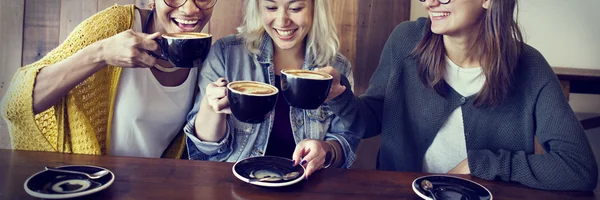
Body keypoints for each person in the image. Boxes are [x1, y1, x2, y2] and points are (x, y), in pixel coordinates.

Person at [321, 0, 598, 191]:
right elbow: (370, 120)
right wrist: (339, 96)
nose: (429, 2)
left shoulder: (529, 65)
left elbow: (578, 168)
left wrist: (481, 164)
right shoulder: (405, 40)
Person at [0, 0, 217, 158]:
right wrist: (101, 53)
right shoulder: (117, 25)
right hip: (86, 185)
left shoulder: (204, 54)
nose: (190, 9)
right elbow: (15, 104)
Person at [185, 0, 360, 178]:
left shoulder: (337, 67)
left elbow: (346, 139)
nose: (282, 21)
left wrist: (326, 150)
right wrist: (211, 107)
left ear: (315, 9)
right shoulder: (226, 53)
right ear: (258, 8)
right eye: (271, 7)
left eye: (295, 8)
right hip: (233, 182)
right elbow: (204, 148)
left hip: (306, 185)